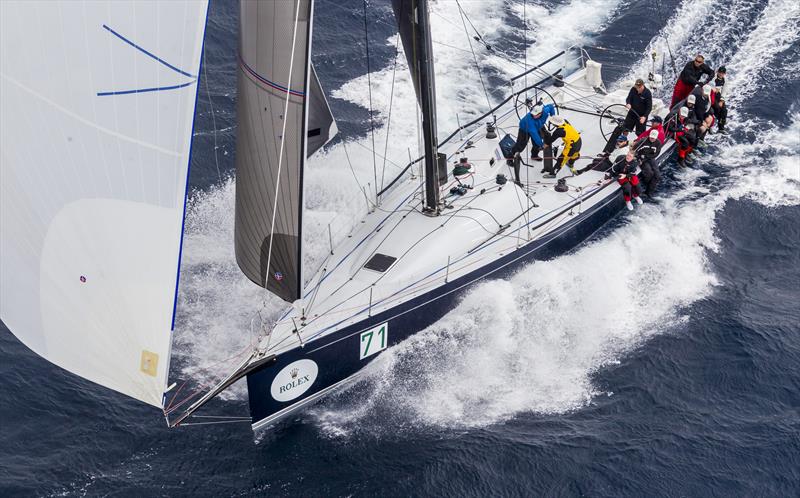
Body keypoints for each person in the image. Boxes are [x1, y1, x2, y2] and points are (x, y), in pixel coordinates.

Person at [633, 129, 662, 198]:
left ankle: (649, 191)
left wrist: (647, 156)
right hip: (642, 159)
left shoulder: (658, 143)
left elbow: (656, 153)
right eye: (651, 137)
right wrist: (639, 158)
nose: (652, 139)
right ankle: (647, 183)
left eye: (653, 138)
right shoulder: (643, 141)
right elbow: (635, 150)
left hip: (650, 158)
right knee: (649, 173)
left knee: (658, 175)